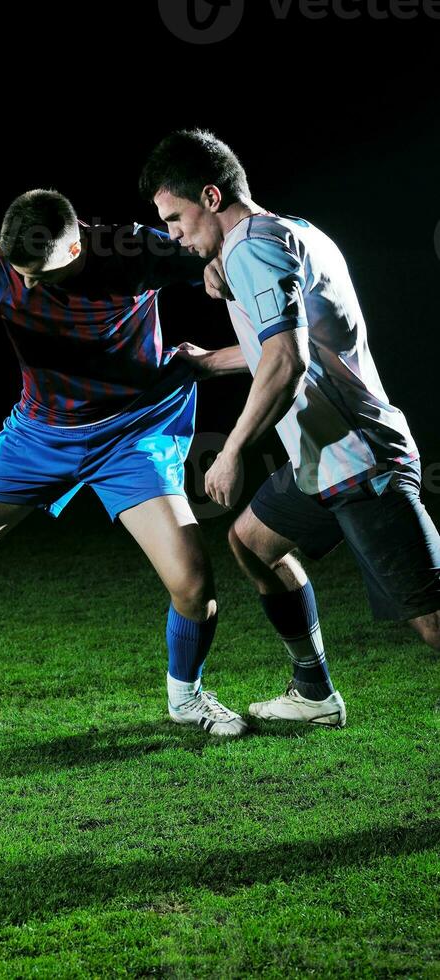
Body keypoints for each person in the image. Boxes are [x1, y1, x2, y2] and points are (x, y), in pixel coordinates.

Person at [0, 188, 250, 737]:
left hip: (131, 436)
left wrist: (213, 267)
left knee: (193, 583)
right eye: (18, 272)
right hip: (38, 439)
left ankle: (186, 699)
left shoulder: (138, 254)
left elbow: (228, 248)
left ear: (73, 252)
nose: (24, 284)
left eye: (38, 275)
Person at [140, 129, 440, 728]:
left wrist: (230, 453)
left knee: (432, 619)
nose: (171, 233)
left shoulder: (255, 247)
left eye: (175, 217)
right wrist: (204, 362)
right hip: (320, 464)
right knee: (251, 543)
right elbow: (284, 343)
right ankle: (314, 692)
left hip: (359, 461)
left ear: (210, 196)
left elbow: (286, 360)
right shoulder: (292, 232)